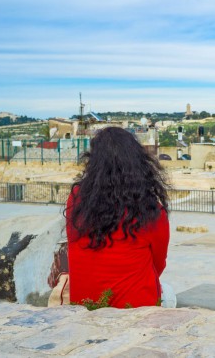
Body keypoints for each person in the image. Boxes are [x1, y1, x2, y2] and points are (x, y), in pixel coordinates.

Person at [64, 127, 171, 308]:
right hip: (135, 305)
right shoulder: (151, 210)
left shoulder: (77, 198)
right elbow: (158, 264)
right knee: (169, 292)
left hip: (86, 302)